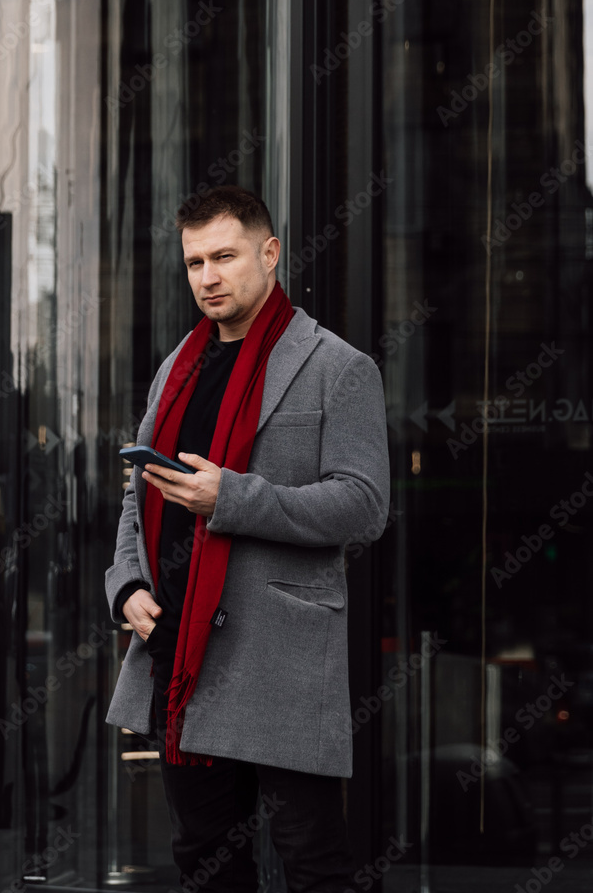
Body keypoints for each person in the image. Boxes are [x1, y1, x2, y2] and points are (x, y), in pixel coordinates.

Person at [105, 184, 390, 892]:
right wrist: (125, 587)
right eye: (194, 262)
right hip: (179, 656)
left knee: (313, 864)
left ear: (269, 254)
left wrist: (231, 497)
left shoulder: (339, 367)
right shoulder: (176, 369)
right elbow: (138, 497)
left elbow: (362, 506)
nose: (207, 276)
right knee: (203, 860)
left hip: (279, 664)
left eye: (224, 257)